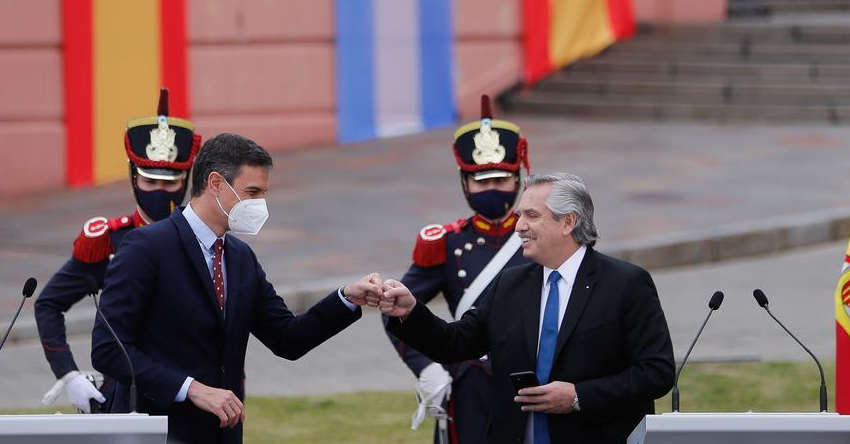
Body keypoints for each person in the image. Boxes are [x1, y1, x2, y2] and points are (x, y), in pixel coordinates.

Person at [92, 132, 383, 443]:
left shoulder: (240, 257)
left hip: (223, 434)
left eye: (263, 194)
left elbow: (287, 338)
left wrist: (346, 299)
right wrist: (190, 388)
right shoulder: (147, 247)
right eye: (252, 192)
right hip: (158, 431)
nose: (259, 205)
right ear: (216, 183)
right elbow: (109, 350)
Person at [382, 172, 674, 444]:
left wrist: (578, 396)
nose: (519, 225)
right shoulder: (511, 283)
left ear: (567, 222)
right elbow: (455, 343)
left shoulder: (625, 283)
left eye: (532, 215)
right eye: (519, 215)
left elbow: (655, 372)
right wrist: (410, 311)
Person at [35, 87, 199, 413]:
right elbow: (49, 304)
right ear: (133, 178)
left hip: (192, 392)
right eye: (150, 182)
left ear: (186, 181)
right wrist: (69, 375)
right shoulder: (109, 241)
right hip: (128, 395)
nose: (160, 192)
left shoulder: (202, 239)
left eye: (170, 183)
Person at [385, 95, 532, 443]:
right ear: (465, 184)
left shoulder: (537, 235)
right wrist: (427, 368)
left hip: (532, 376)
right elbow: (398, 309)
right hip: (470, 380)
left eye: (501, 180)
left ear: (517, 180)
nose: (492, 189)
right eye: (481, 182)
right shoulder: (447, 242)